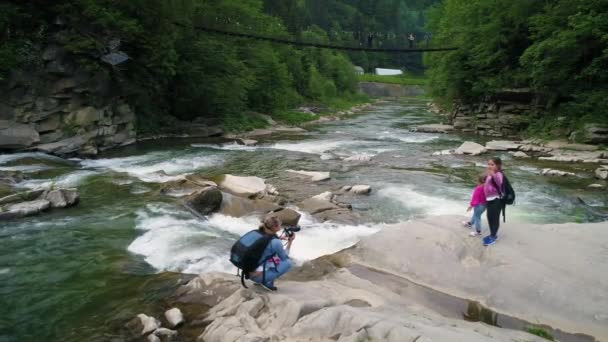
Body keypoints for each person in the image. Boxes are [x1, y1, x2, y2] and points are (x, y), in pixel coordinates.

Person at [249, 216, 294, 291]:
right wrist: (290, 242)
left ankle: (263, 278)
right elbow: (284, 257)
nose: (281, 226)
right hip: (258, 277)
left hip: (248, 273)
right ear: (275, 227)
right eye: (280, 225)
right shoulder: (275, 242)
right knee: (288, 263)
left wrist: (278, 238)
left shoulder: (258, 233)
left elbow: (266, 245)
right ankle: (266, 282)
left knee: (272, 256)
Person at [483, 157, 504, 246]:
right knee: (489, 217)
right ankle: (492, 234)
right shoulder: (490, 174)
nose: (490, 166)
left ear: (498, 165)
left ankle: (493, 236)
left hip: (496, 199)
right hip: (489, 199)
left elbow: (499, 183)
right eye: (489, 164)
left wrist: (493, 175)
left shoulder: (499, 174)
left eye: (492, 164)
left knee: (495, 218)